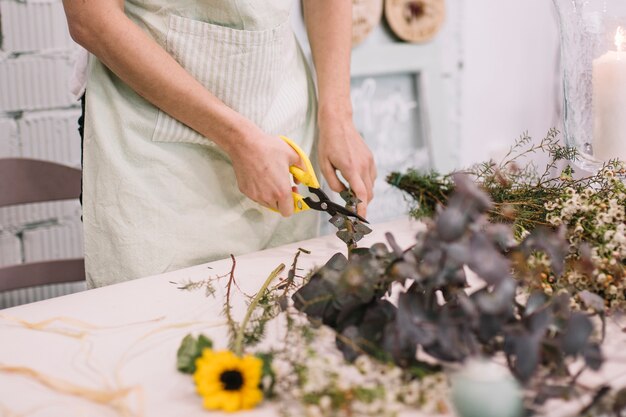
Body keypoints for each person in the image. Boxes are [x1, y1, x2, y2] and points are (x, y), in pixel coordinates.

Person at [62, 0, 377, 288]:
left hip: (279, 117)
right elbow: (92, 19)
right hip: (152, 147)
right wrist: (236, 138)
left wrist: (338, 113)